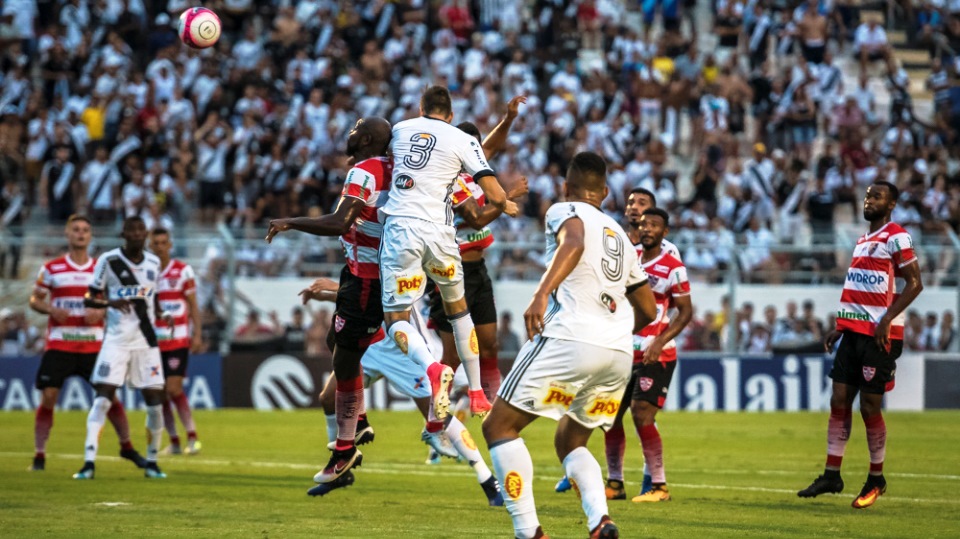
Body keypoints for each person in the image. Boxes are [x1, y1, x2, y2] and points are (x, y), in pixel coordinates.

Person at [481, 152, 657, 539]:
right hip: (616, 355)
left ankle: (529, 532)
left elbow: (574, 241)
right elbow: (647, 306)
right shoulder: (621, 237)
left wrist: (541, 293)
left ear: (566, 187)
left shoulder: (564, 209)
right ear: (606, 192)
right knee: (570, 439)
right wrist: (613, 326)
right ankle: (600, 521)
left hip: (569, 337)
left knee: (499, 427)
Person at [265, 117, 394, 486]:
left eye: (355, 128)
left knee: (346, 359)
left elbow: (340, 222)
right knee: (336, 341)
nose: (349, 133)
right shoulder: (393, 168)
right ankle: (361, 422)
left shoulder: (364, 171)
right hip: (359, 272)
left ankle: (344, 449)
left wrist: (291, 221)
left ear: (366, 138)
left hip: (368, 278)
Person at [300, 278, 503, 506]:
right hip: (372, 344)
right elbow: (361, 297)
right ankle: (340, 469)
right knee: (328, 398)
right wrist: (327, 295)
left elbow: (387, 288)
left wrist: (334, 287)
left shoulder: (397, 251)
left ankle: (488, 480)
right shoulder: (367, 252)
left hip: (403, 350)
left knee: (438, 413)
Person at [379, 86, 515, 420]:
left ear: (420, 107)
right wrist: (504, 202)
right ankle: (477, 393)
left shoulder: (399, 129)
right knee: (460, 313)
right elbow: (494, 194)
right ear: (451, 116)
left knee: (396, 319)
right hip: (441, 234)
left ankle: (432, 368)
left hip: (403, 228)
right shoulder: (461, 139)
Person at [798, 181, 923, 508]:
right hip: (853, 333)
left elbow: (915, 283)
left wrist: (886, 319)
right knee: (838, 399)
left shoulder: (896, 235)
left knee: (869, 405)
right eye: (867, 196)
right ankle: (832, 473)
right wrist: (840, 325)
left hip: (881, 335)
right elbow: (857, 288)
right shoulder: (863, 240)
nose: (869, 200)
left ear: (892, 203)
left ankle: (876, 478)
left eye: (877, 196)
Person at [556, 186, 679, 497]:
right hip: (620, 344)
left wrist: (656, 332)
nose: (635, 209)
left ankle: (652, 479)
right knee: (607, 415)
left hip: (649, 345)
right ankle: (608, 479)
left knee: (641, 413)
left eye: (643, 205)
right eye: (631, 203)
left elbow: (671, 303)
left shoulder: (669, 253)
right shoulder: (619, 243)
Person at [27, 214, 147, 472]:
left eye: (85, 230)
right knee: (48, 397)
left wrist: (102, 312)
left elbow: (118, 302)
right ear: (68, 235)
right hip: (60, 344)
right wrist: (49, 309)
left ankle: (127, 447)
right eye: (76, 230)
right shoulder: (52, 268)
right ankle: (39, 455)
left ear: (90, 236)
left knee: (111, 397)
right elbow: (34, 300)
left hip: (94, 345)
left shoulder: (102, 268)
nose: (81, 234)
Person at [428, 98, 528, 402]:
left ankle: (490, 400)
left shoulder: (474, 170)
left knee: (490, 344)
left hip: (478, 269)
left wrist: (508, 117)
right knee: (454, 353)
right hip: (453, 271)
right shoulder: (450, 178)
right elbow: (475, 219)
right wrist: (507, 197)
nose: (478, 152)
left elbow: (492, 146)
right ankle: (438, 410)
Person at [74, 216, 173, 479]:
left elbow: (155, 297)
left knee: (155, 403)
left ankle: (152, 461)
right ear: (124, 234)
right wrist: (109, 303)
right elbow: (89, 298)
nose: (138, 233)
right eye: (133, 230)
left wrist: (163, 314)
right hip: (116, 341)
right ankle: (88, 462)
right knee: (103, 398)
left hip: (146, 343)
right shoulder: (108, 261)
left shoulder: (154, 262)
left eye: (142, 229)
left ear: (146, 233)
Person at [625, 208, 693, 502]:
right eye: (644, 224)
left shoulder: (673, 266)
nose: (647, 228)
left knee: (642, 413)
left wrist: (659, 340)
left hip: (657, 353)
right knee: (610, 417)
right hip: (626, 349)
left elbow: (686, 311)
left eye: (654, 225)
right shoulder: (629, 257)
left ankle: (659, 486)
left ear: (665, 233)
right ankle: (613, 483)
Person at [149, 228, 204, 456]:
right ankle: (173, 442)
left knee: (173, 388)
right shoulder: (146, 273)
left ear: (170, 245)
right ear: (150, 247)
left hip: (178, 340)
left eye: (164, 242)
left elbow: (192, 305)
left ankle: (192, 438)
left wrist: (197, 334)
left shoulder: (183, 271)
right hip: (153, 342)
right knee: (160, 393)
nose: (160, 247)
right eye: (156, 243)